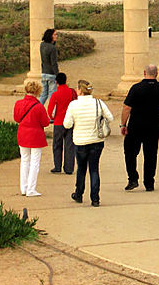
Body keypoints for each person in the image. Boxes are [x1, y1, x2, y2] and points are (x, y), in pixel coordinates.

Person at [120, 64, 159, 192]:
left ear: (144, 73)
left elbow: (127, 108)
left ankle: (133, 178)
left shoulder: (136, 88)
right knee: (150, 154)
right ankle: (149, 182)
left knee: (130, 152)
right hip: (153, 126)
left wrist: (123, 124)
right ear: (156, 73)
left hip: (135, 126)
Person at [63, 79, 113, 207]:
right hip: (97, 140)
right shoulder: (98, 103)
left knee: (81, 169)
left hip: (80, 141)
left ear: (79, 90)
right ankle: (95, 198)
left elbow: (67, 124)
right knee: (94, 169)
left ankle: (79, 193)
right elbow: (110, 118)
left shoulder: (73, 105)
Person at [14, 78, 51, 197]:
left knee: (24, 160)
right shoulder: (39, 106)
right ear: (37, 91)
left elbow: (17, 119)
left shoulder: (18, 103)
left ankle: (23, 188)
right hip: (36, 135)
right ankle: (31, 188)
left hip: (23, 134)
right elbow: (45, 122)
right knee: (35, 162)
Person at [47, 72, 77, 174]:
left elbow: (50, 111)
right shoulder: (72, 92)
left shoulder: (55, 94)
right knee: (69, 145)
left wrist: (52, 118)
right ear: (66, 80)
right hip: (70, 122)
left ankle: (57, 166)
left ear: (56, 82)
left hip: (59, 122)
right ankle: (69, 168)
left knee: (57, 145)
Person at [39, 28, 59, 106]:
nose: (56, 36)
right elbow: (54, 63)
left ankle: (37, 110)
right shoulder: (52, 48)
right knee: (52, 96)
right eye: (55, 34)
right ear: (50, 36)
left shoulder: (42, 45)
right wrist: (58, 76)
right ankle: (51, 116)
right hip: (51, 74)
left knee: (43, 95)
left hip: (44, 73)